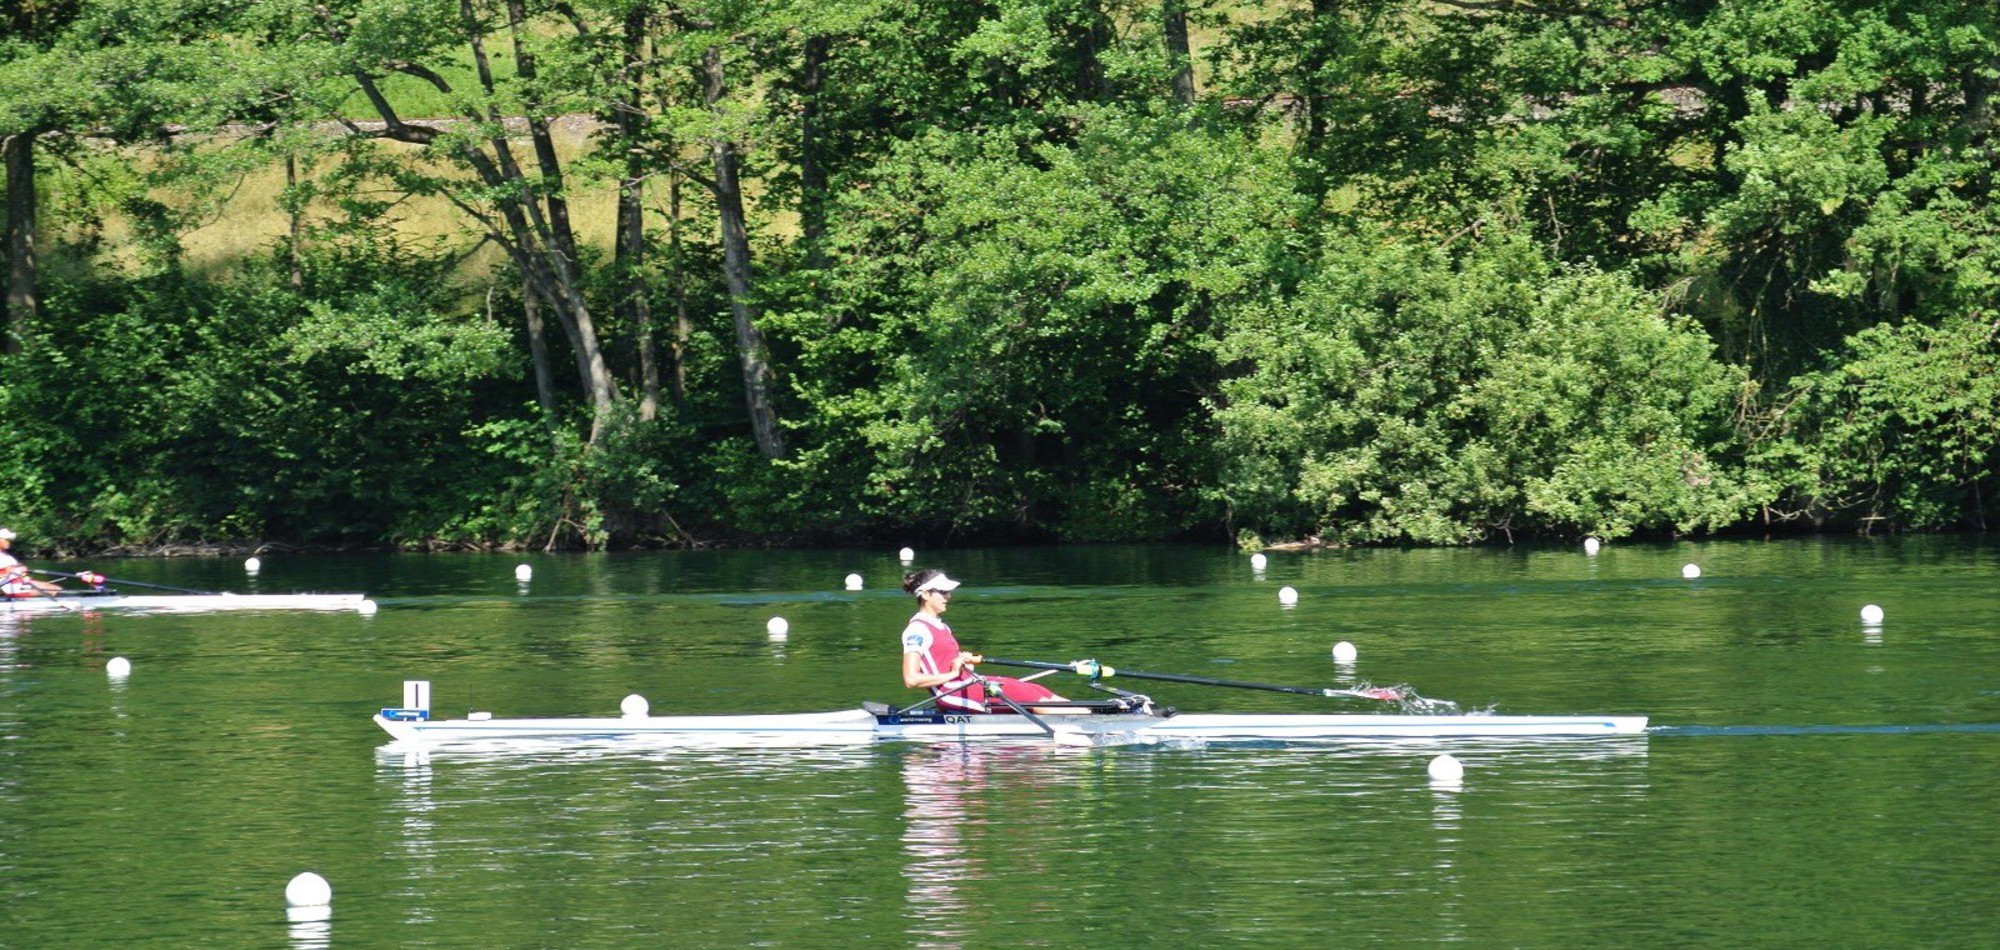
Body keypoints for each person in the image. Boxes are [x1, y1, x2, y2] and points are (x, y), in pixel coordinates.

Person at [900, 567, 1069, 713]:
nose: (948, 596)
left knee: (1036, 689)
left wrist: (963, 663)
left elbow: (946, 662)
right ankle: (1080, 722)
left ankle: (1089, 714)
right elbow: (911, 679)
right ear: (925, 594)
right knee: (1030, 696)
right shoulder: (917, 629)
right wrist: (953, 673)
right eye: (942, 592)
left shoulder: (942, 626)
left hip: (967, 684)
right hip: (951, 693)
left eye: (948, 592)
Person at [0, 528, 63, 596]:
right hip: (10, 587)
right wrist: (12, 572)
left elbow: (16, 566)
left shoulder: (5, 555)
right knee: (54, 590)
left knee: (55, 588)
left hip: (20, 582)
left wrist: (21, 568)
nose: (9, 542)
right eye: (7, 540)